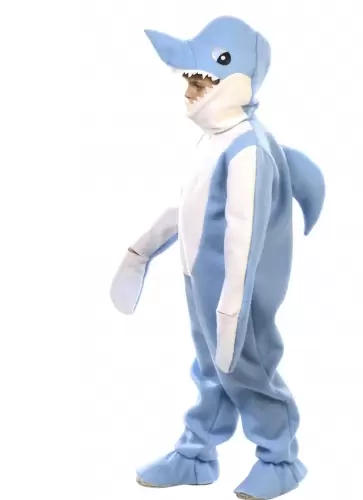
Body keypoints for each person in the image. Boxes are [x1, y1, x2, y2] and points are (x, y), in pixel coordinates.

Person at [110, 15, 325, 500]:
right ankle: (196, 455)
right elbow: (191, 205)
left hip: (238, 295)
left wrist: (232, 309)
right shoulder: (215, 139)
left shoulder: (248, 150)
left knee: (249, 370)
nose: (192, 86)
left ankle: (280, 460)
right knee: (211, 369)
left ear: (241, 77)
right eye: (191, 77)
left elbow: (243, 239)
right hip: (200, 283)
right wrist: (142, 249)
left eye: (209, 72)